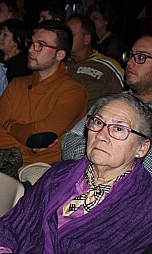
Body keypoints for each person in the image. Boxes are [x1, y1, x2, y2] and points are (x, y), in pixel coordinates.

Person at [0, 93, 152, 254]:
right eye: (97, 122)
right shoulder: (58, 175)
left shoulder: (145, 206)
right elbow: (6, 227)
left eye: (119, 129)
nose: (101, 135)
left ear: (142, 148)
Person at [0, 20, 87, 167]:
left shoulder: (73, 91)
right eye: (31, 43)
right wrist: (22, 151)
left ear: (60, 54)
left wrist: (9, 125)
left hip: (44, 171)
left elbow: (41, 134)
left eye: (41, 45)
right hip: (8, 161)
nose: (31, 50)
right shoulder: (18, 84)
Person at [62, 35, 152, 174]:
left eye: (141, 57)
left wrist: (99, 155)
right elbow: (70, 140)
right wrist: (98, 160)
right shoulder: (111, 102)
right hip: (82, 179)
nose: (129, 63)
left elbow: (147, 172)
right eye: (130, 55)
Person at [66, 15, 124, 108]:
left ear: (86, 39)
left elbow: (122, 101)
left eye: (71, 35)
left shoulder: (107, 67)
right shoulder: (58, 62)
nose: (65, 39)